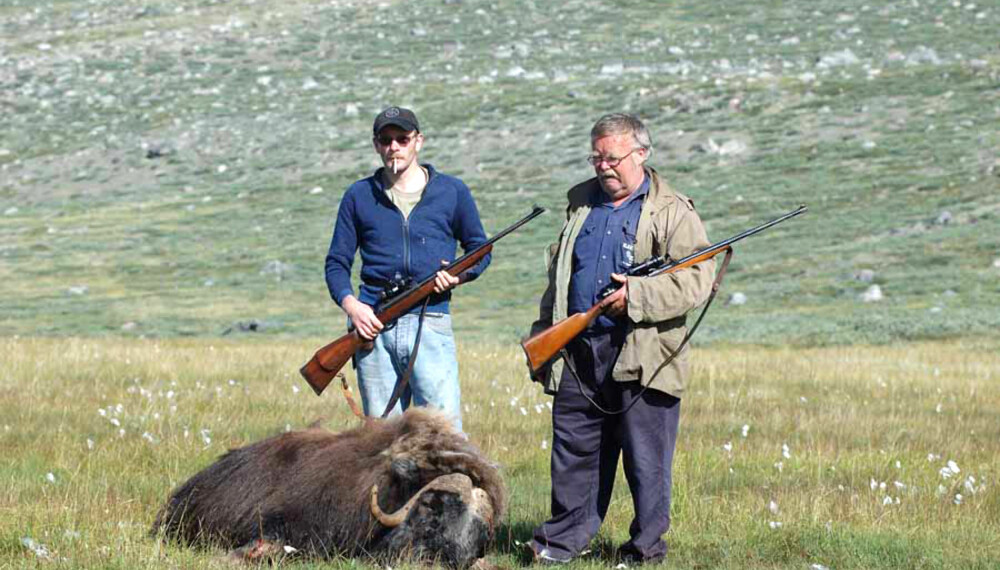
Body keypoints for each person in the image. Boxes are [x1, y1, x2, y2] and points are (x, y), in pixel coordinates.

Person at [528, 113, 716, 565]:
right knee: (574, 454)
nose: (603, 166)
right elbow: (559, 279)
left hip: (644, 353)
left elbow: (697, 281)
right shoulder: (580, 205)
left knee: (645, 460)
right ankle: (561, 544)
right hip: (578, 350)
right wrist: (543, 335)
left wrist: (637, 296)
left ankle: (645, 550)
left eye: (612, 157)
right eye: (596, 157)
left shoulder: (673, 210)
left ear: (641, 154)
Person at [325, 106, 490, 432]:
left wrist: (457, 277)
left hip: (432, 322)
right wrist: (352, 306)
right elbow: (336, 263)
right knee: (381, 442)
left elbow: (481, 251)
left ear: (419, 142)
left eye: (403, 138)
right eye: (386, 140)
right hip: (373, 328)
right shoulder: (358, 195)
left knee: (444, 436)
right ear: (376, 145)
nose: (394, 147)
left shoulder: (452, 191)